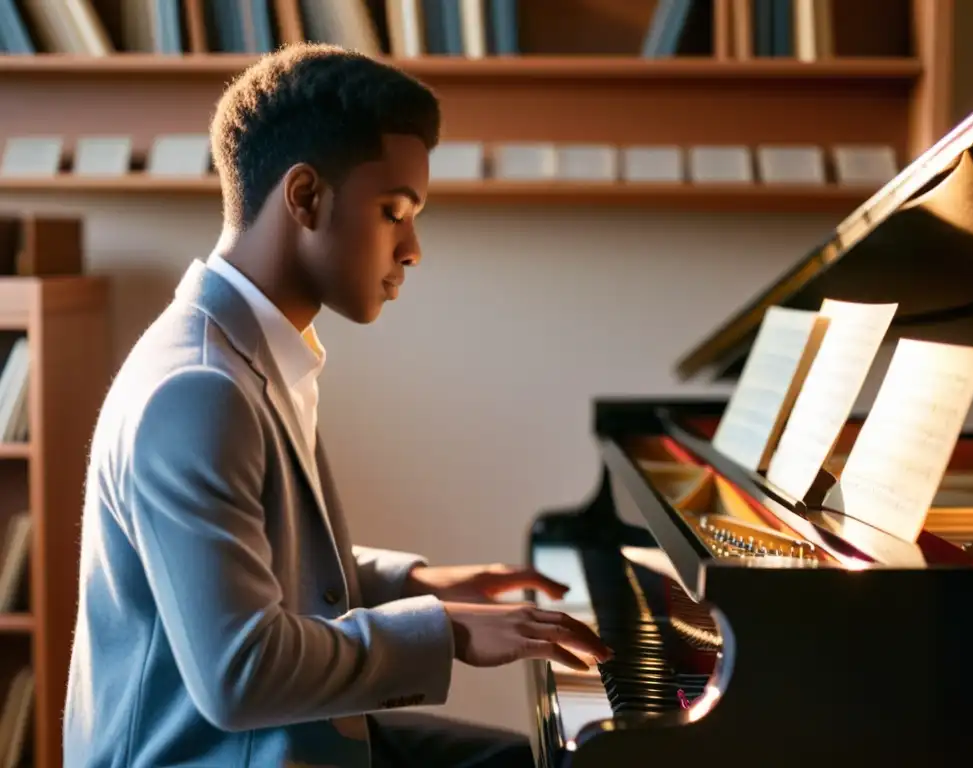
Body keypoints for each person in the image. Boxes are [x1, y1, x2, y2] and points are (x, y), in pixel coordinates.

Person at [63, 43, 612, 768]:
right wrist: (444, 629)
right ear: (305, 198)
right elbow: (239, 672)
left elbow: (256, 559)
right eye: (394, 212)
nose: (412, 249)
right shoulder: (197, 390)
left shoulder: (251, 350)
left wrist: (417, 583)